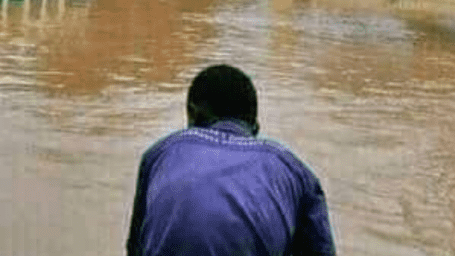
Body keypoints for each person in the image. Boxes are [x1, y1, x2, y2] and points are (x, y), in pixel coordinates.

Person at [127, 64, 336, 256]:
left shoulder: (160, 154)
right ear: (255, 126)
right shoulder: (294, 171)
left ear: (192, 113)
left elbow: (135, 248)